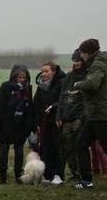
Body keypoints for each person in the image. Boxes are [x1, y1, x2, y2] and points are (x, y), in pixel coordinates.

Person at [73, 38, 107, 189]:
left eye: (82, 53)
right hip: (93, 114)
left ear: (88, 52)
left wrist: (78, 84)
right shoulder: (99, 62)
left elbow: (93, 84)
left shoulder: (98, 65)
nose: (81, 56)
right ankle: (86, 180)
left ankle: (86, 180)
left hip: (100, 114)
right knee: (81, 143)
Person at [0, 65, 31, 184]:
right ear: (14, 76)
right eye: (19, 77)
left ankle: (18, 175)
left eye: (24, 78)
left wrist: (28, 125)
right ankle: (2, 176)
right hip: (6, 122)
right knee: (4, 149)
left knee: (19, 149)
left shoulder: (28, 88)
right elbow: (0, 105)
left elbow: (29, 105)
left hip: (20, 123)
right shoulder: (5, 86)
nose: (22, 80)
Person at [32, 61, 66, 184]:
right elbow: (36, 104)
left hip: (57, 120)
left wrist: (53, 106)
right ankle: (47, 175)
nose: (43, 74)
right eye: (42, 71)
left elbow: (63, 100)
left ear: (54, 72)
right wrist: (36, 122)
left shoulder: (61, 83)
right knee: (45, 148)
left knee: (57, 147)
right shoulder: (40, 86)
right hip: (44, 122)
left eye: (46, 71)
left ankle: (58, 175)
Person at [57, 50, 86, 183]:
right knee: (68, 147)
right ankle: (74, 172)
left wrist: (82, 118)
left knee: (80, 147)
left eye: (78, 60)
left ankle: (83, 173)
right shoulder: (68, 77)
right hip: (66, 118)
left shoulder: (87, 76)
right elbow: (62, 97)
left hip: (80, 118)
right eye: (74, 60)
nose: (76, 63)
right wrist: (58, 116)